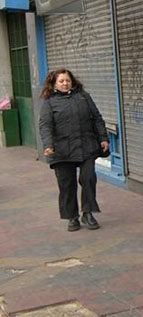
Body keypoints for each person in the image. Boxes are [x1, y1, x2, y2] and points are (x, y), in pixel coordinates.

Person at [39, 69, 109, 232]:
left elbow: (97, 118)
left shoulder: (84, 97)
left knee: (88, 178)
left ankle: (88, 213)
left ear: (72, 82)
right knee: (67, 184)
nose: (65, 83)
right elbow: (45, 126)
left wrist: (103, 138)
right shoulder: (49, 102)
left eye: (68, 80)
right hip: (62, 150)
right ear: (54, 84)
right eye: (61, 81)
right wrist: (48, 145)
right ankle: (72, 216)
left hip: (86, 146)